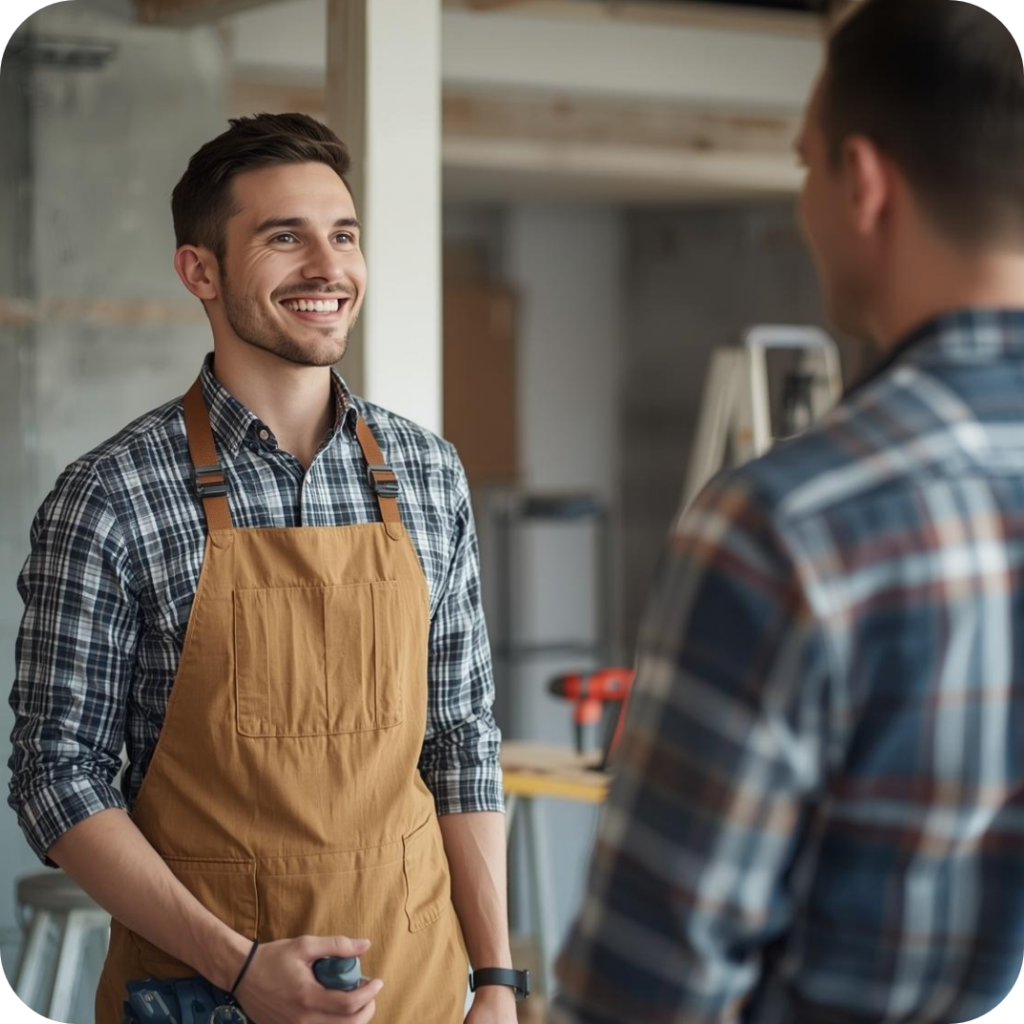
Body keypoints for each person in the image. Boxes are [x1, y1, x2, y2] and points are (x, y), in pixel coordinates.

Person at [551, 1, 1024, 1021]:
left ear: (861, 182)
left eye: (806, 165)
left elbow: (646, 993)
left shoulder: (791, 527)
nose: (805, 201)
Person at [9, 113, 524, 1024]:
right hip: (204, 996)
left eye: (344, 235)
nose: (328, 268)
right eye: (285, 238)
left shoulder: (429, 473)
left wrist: (496, 980)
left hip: (419, 991)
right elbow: (57, 775)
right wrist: (240, 967)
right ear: (198, 270)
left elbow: (461, 739)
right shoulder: (110, 496)